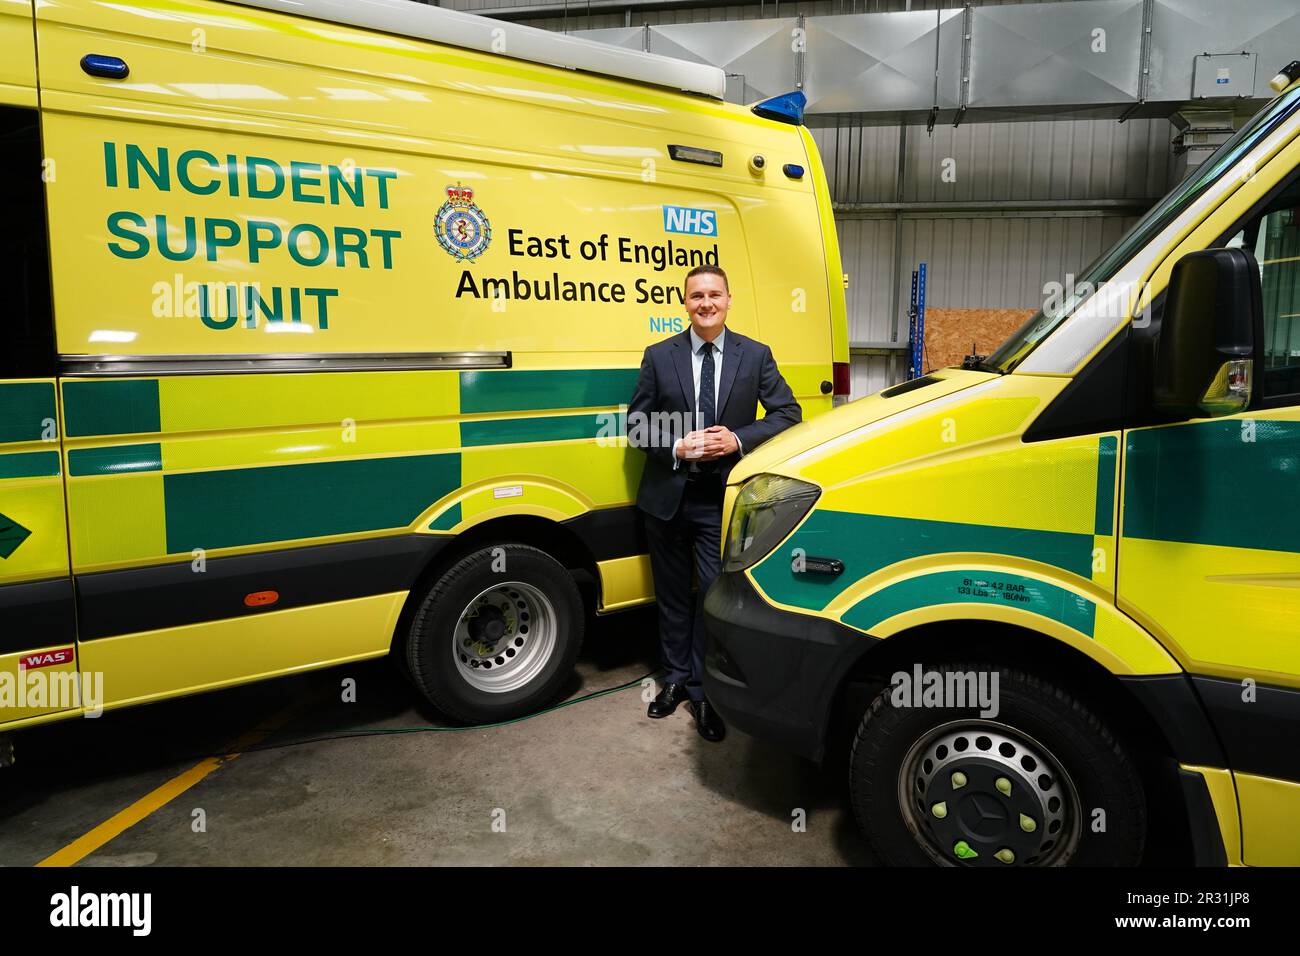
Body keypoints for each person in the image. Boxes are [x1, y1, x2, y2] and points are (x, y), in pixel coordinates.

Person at [627, 264, 802, 741]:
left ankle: (704, 693)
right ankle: (675, 680)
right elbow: (636, 426)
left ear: (728, 300)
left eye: (714, 295)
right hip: (666, 499)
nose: (706, 303)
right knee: (670, 597)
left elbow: (788, 414)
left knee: (711, 597)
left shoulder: (756, 355)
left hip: (720, 502)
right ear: (685, 303)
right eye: (696, 296)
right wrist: (678, 447)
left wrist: (739, 440)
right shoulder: (659, 356)